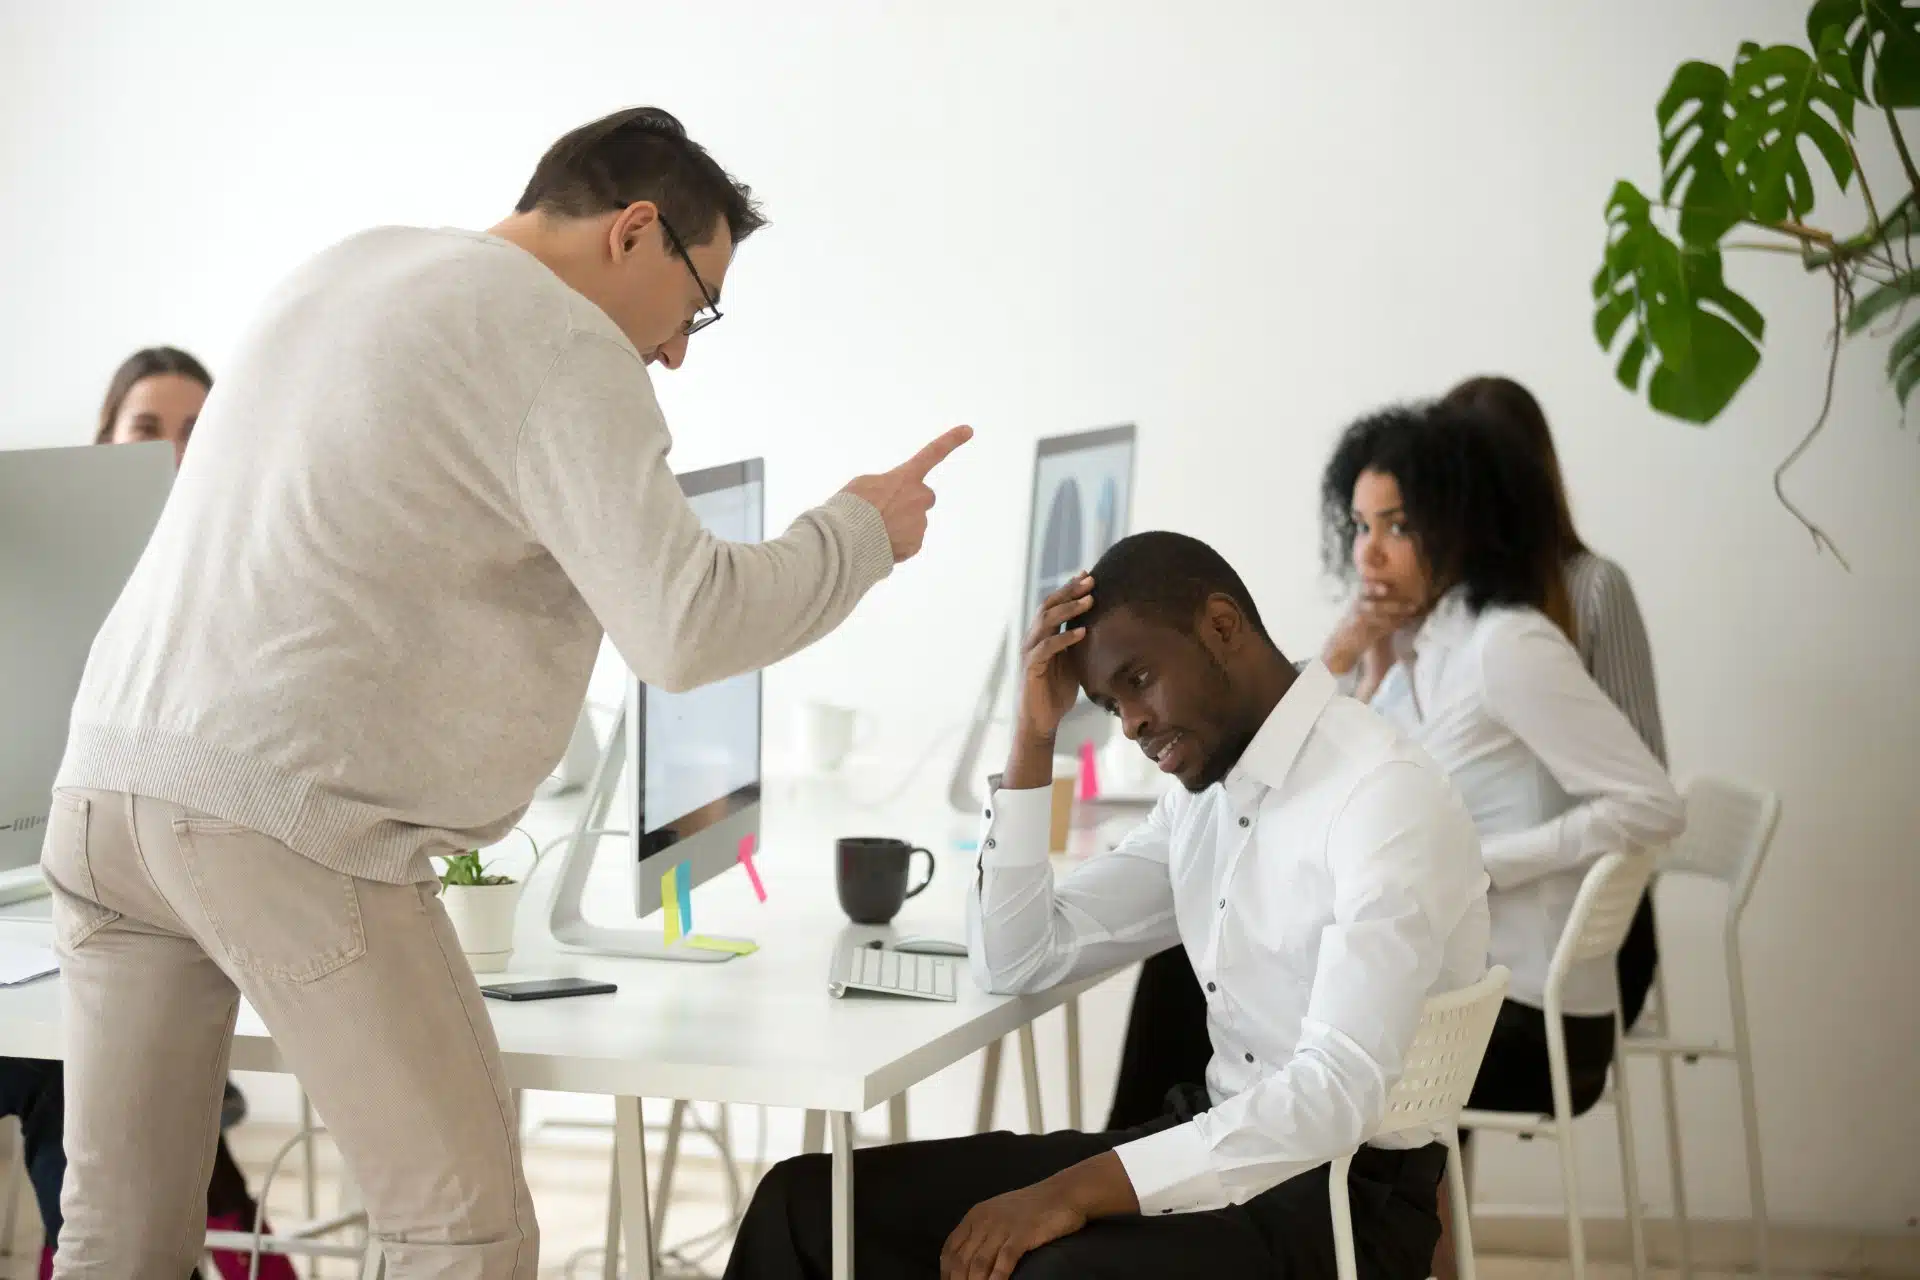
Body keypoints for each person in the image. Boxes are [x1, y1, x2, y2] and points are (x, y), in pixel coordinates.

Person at [43, 107, 969, 1279]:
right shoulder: (556, 341)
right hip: (281, 818)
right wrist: (859, 536)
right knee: (461, 1231)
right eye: (698, 304)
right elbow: (683, 624)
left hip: (106, 786)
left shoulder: (351, 264)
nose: (682, 349)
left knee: (116, 1238)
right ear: (636, 232)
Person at [725, 531, 1490, 1280]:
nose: (1131, 724)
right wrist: (1033, 736)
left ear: (1221, 627)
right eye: (1109, 703)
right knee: (807, 1204)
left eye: (1139, 679)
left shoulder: (1381, 796)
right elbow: (1015, 958)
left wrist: (1071, 1192)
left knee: (1042, 1266)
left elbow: (1334, 1094)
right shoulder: (1204, 798)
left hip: (1340, 1205)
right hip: (1212, 1145)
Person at [1317, 402, 1684, 1277]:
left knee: (1282, 1037)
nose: (1370, 554)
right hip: (1470, 997)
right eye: (1361, 527)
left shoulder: (1504, 645)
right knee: (1240, 997)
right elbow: (1324, 791)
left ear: (1455, 524)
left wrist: (1488, 867)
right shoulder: (1424, 656)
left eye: (1398, 527)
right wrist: (1360, 658)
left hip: (1532, 1022)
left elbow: (1652, 804)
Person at [0, 349, 293, 1280]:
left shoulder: (248, 583)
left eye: (198, 434)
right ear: (101, 444)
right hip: (46, 922)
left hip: (142, 914)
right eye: (145, 431)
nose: (171, 456)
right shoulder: (32, 579)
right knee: (104, 1080)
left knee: (117, 1070)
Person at [1438, 375, 1666, 1030]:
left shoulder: (1593, 589)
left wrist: (1497, 864)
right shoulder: (1447, 618)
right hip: (1486, 926)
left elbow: (1647, 779)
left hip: (1586, 941)